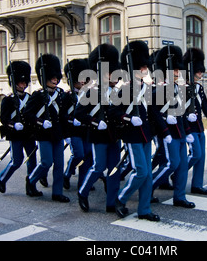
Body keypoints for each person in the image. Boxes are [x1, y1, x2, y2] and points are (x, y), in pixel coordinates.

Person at [112, 40, 170, 222]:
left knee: (145, 175)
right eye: (142, 67)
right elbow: (114, 111)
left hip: (145, 134)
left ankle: (144, 209)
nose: (145, 69)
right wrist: (128, 118)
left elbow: (153, 111)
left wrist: (165, 131)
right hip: (132, 135)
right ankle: (120, 198)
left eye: (145, 67)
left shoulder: (145, 87)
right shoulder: (123, 88)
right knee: (141, 172)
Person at [75, 43, 122, 213]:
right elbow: (79, 114)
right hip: (98, 135)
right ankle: (83, 192)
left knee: (115, 168)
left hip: (114, 136)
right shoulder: (91, 91)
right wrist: (94, 122)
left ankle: (112, 203)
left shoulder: (118, 91)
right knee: (98, 167)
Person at [151, 45, 196, 209]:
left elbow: (182, 112)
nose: (178, 73)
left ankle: (179, 197)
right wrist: (164, 124)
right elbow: (153, 111)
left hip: (180, 132)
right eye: (175, 71)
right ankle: (149, 187)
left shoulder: (178, 87)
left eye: (179, 70)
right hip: (167, 133)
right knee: (172, 164)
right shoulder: (159, 88)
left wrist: (188, 131)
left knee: (182, 165)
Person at [23, 54, 71, 202]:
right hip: (43, 134)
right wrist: (40, 122)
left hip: (57, 133)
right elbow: (27, 114)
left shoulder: (60, 94)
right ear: (45, 78)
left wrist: (68, 130)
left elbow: (63, 115)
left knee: (59, 164)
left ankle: (57, 192)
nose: (55, 79)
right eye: (52, 77)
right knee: (46, 162)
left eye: (56, 77)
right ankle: (31, 180)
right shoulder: (37, 95)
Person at [183, 48, 207, 195]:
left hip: (199, 127)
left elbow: (205, 108)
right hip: (189, 128)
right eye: (198, 71)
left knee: (201, 157)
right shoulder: (182, 88)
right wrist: (187, 116)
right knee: (195, 154)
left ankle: (197, 184)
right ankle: (178, 172)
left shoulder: (199, 88)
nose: (200, 74)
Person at [0, 61, 37, 194]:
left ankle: (31, 185)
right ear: (15, 83)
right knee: (17, 161)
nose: (23, 84)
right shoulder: (7, 100)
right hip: (15, 134)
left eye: (25, 82)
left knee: (32, 161)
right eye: (20, 82)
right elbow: (3, 119)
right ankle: (2, 178)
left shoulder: (30, 98)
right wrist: (13, 125)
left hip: (29, 134)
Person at [63, 58, 93, 190]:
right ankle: (67, 173)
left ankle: (83, 182)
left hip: (85, 129)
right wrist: (71, 120)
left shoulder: (88, 95)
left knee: (87, 156)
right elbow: (62, 115)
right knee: (79, 154)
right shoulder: (67, 96)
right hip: (72, 130)